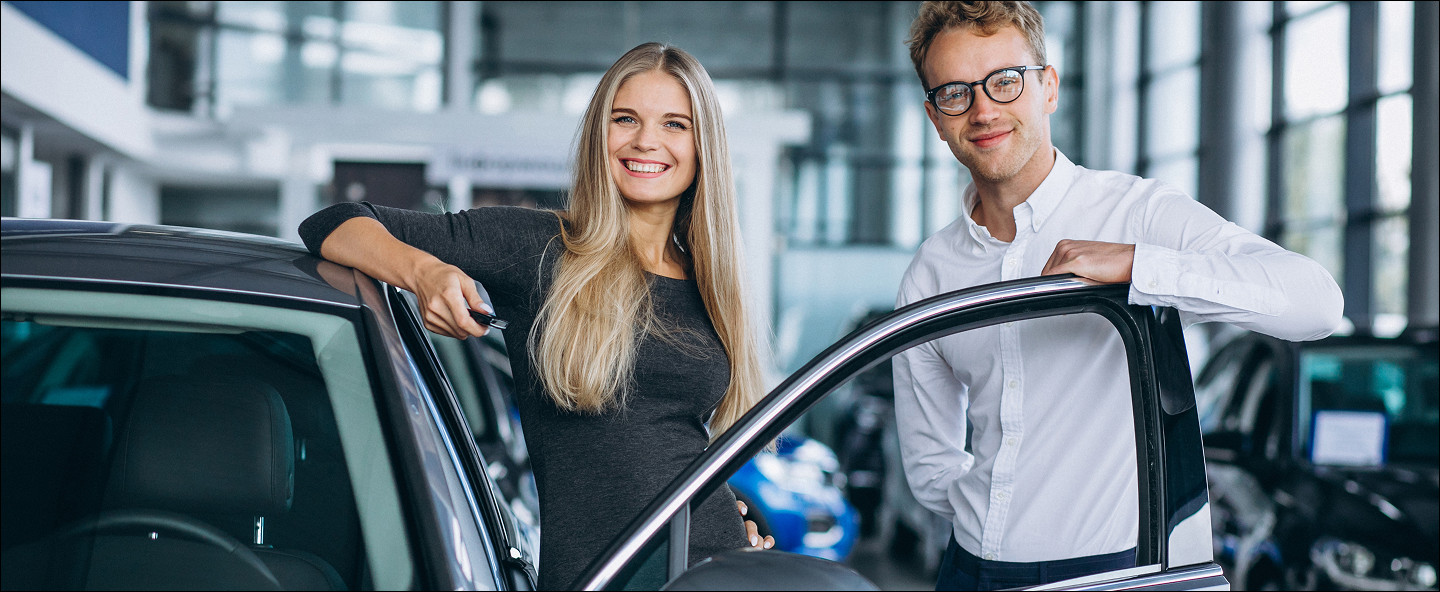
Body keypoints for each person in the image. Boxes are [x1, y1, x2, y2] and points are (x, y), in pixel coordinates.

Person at [891, 2, 1343, 590]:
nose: (983, 110)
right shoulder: (930, 272)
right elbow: (930, 465)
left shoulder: (1138, 214)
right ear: (935, 115)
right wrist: (997, 511)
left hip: (1110, 575)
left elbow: (1318, 304)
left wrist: (1139, 264)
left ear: (1048, 87)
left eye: (1005, 81)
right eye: (955, 93)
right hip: (968, 571)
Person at [298, 42, 773, 590]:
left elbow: (664, 439)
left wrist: (727, 511)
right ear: (601, 133)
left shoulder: (707, 279)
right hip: (606, 578)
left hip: (711, 569)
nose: (647, 140)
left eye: (675, 124)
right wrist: (424, 274)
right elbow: (333, 222)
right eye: (626, 119)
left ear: (702, 145)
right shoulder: (543, 247)